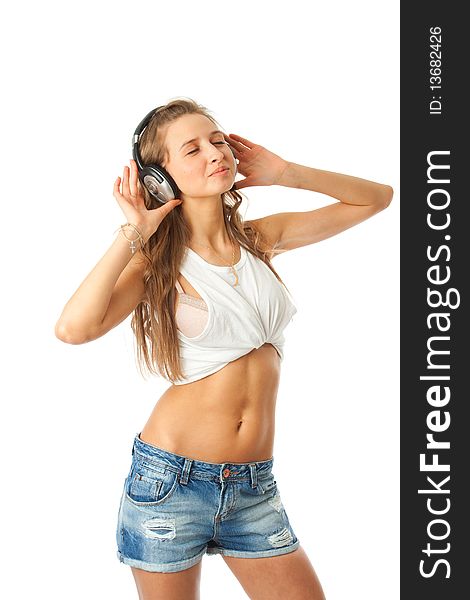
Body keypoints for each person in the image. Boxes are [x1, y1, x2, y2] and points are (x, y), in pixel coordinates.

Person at [55, 97, 393, 600]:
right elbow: (73, 329)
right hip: (170, 482)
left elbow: (377, 198)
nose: (214, 152)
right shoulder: (156, 266)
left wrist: (286, 171)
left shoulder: (261, 238)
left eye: (217, 140)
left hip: (253, 488)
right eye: (191, 149)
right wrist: (134, 233)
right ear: (159, 179)